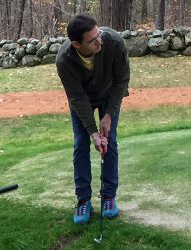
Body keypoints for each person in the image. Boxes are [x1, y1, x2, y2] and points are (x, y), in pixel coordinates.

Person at [56, 15, 130, 224]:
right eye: (93, 40)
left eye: (99, 35)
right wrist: (92, 131)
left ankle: (109, 196)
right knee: (81, 144)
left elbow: (122, 80)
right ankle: (83, 200)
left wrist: (108, 115)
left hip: (109, 95)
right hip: (83, 100)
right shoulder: (64, 59)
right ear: (77, 44)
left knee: (110, 141)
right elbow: (77, 97)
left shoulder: (114, 42)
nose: (100, 41)